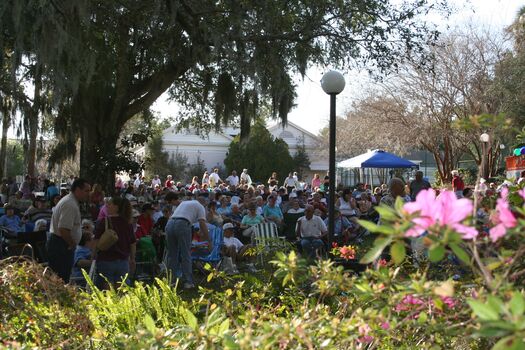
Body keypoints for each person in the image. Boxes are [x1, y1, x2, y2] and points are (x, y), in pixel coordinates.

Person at [47, 178, 91, 283]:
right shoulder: (69, 204)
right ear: (77, 190)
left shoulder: (71, 201)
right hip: (61, 245)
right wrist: (72, 244)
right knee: (60, 280)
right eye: (86, 191)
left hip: (62, 243)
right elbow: (63, 229)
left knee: (62, 279)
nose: (88, 194)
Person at [165, 194, 208, 289]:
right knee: (186, 254)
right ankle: (188, 282)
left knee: (172, 255)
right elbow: (202, 223)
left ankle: (171, 282)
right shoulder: (200, 206)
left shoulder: (184, 203)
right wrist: (209, 240)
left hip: (170, 223)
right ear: (204, 204)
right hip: (183, 224)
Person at [94, 197, 136, 289]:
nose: (107, 206)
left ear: (117, 207)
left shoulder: (103, 222)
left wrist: (93, 256)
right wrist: (132, 259)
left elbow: (96, 241)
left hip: (106, 260)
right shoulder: (128, 223)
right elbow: (132, 243)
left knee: (107, 292)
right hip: (123, 261)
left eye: (110, 204)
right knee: (121, 291)